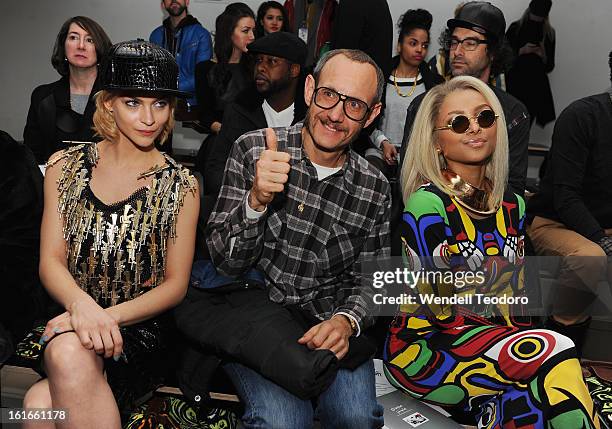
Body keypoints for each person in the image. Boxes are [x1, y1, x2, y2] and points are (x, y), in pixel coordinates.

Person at [175, 49, 389, 428]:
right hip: (257, 321)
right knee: (281, 422)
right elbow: (225, 263)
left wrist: (346, 321)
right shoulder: (255, 149)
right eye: (328, 95)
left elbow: (375, 281)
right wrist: (256, 201)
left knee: (355, 418)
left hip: (327, 323)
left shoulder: (374, 188)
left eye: (354, 104)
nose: (336, 114)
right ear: (309, 89)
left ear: (372, 115)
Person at [384, 75, 600, 429]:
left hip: (495, 349)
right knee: (553, 353)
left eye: (484, 118)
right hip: (428, 351)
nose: (475, 129)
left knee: (558, 402)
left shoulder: (512, 204)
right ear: (437, 141)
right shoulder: (428, 205)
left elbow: (516, 305)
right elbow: (444, 311)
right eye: (458, 122)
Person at [21, 40, 199, 428]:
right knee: (42, 397)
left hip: (138, 333)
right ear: (108, 103)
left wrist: (103, 319)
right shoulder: (63, 167)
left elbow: (176, 285)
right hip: (72, 315)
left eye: (160, 103)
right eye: (133, 102)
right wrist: (82, 309)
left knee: (37, 405)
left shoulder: (181, 185)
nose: (149, 117)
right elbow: (51, 261)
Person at [526, 52, 612, 355]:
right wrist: (602, 241)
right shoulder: (583, 116)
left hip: (602, 226)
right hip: (554, 221)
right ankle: (558, 347)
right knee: (590, 257)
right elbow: (565, 196)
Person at [400, 1, 529, 196]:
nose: (457, 52)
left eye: (470, 43)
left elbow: (513, 188)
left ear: (493, 52)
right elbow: (411, 178)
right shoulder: (425, 106)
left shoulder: (512, 113)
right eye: (454, 42)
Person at [199, 31, 307, 225]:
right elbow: (215, 168)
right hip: (246, 210)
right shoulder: (240, 108)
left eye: (272, 62)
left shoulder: (310, 116)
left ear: (294, 70)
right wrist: (252, 195)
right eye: (258, 61)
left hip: (297, 217)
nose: (261, 68)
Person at [24, 16, 112, 165]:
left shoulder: (116, 97)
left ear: (99, 49)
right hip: (53, 183)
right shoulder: (43, 97)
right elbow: (33, 156)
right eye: (73, 38)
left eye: (90, 40)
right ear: (63, 46)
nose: (81, 46)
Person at [366, 8, 443, 177]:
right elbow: (368, 120)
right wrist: (383, 143)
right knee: (371, 173)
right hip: (379, 150)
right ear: (399, 45)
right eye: (413, 43)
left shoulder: (432, 84)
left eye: (424, 45)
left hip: (416, 155)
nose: (419, 50)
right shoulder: (380, 78)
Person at [194, 3, 255, 169]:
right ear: (229, 33)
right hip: (219, 146)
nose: (252, 36)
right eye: (245, 31)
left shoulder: (256, 69)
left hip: (251, 148)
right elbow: (205, 115)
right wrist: (228, 132)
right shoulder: (205, 69)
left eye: (253, 31)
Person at [149, 0, 213, 118]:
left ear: (187, 1)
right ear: (163, 4)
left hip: (190, 105)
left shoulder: (201, 34)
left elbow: (203, 76)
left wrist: (171, 88)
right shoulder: (156, 35)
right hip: (159, 102)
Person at [506, 0, 556, 127]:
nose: (537, 20)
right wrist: (521, 51)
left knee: (526, 122)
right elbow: (503, 58)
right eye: (535, 17)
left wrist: (542, 55)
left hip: (536, 85)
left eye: (539, 18)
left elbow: (550, 66)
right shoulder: (515, 28)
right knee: (511, 121)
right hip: (515, 83)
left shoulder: (549, 33)